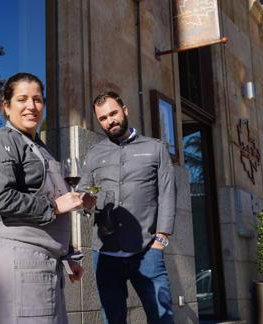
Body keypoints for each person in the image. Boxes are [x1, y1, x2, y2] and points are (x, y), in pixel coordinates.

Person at [0, 72, 94, 324]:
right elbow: (1, 199)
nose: (31, 106)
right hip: (20, 261)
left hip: (40, 263)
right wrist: (55, 205)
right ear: (6, 107)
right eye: (22, 99)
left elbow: (50, 200)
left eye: (38, 99)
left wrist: (67, 254)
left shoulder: (41, 147)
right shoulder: (3, 143)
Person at [77, 91, 176, 324]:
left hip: (147, 251)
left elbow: (167, 194)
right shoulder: (94, 154)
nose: (110, 121)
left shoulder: (155, 148)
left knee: (162, 319)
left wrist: (161, 239)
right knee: (113, 320)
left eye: (113, 113)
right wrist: (84, 202)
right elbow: (83, 192)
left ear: (125, 110)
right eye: (102, 118)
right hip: (105, 254)